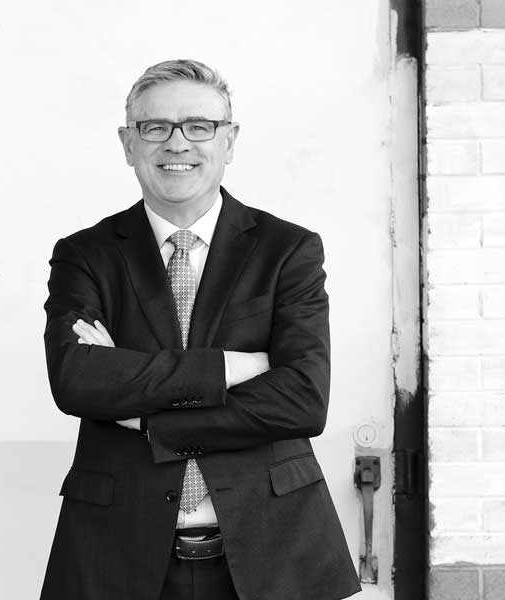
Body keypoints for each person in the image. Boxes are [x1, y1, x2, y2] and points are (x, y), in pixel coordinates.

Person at [40, 59, 361, 600]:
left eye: (199, 126)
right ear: (127, 143)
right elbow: (78, 381)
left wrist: (148, 418)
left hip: (274, 553)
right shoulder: (85, 255)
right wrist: (231, 368)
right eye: (154, 127)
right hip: (117, 553)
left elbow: (303, 400)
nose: (177, 143)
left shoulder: (288, 250)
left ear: (229, 141)